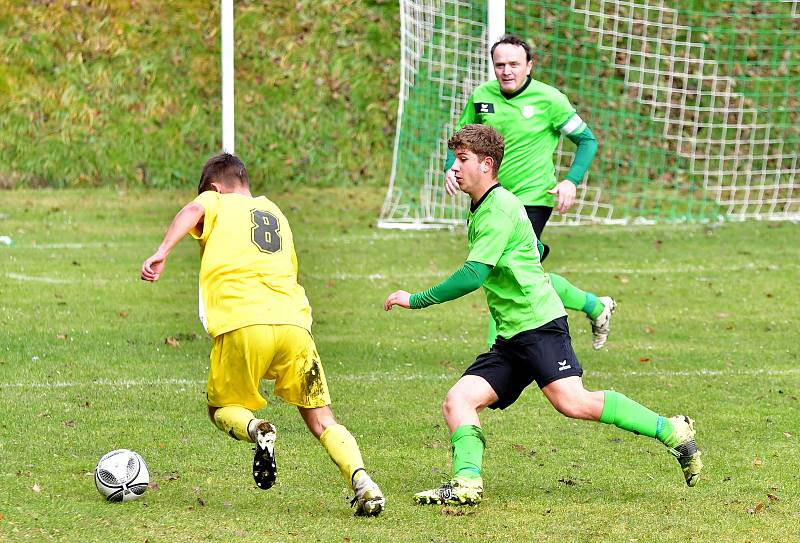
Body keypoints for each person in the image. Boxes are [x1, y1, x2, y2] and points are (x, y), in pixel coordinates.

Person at [385, 125, 702, 506]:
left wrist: (416, 299)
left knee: (572, 402)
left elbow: (473, 274)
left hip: (538, 327)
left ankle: (672, 430)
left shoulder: (497, 209)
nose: (455, 167)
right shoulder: (489, 204)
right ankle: (467, 483)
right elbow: (534, 246)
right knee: (458, 401)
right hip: (512, 335)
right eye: (455, 158)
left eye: (463, 159)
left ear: (486, 165)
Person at [140, 153, 384, 516]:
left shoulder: (215, 200)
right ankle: (364, 482)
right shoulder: (276, 213)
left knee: (221, 408)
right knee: (321, 419)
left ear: (215, 187)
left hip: (243, 323)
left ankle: (257, 429)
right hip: (294, 326)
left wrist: (162, 251)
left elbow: (191, 211)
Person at [444, 34, 615, 350]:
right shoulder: (482, 97)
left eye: (514, 64)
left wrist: (570, 181)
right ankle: (594, 306)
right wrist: (450, 169)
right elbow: (460, 141)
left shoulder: (550, 100)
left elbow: (587, 140)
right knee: (522, 273)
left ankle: (497, 351)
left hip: (532, 199)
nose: (506, 71)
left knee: (496, 268)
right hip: (491, 199)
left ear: (529, 66)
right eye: (500, 65)